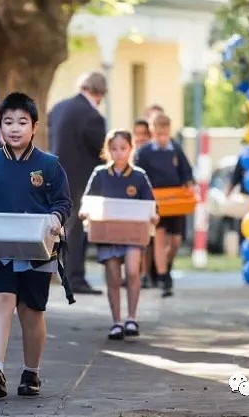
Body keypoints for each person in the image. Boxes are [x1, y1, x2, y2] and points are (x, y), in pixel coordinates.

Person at [0, 93, 74, 399]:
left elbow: (64, 202)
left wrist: (56, 216)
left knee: (31, 311)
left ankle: (31, 372)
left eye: (22, 122)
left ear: (34, 126)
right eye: (8, 122)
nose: (15, 128)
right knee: (0, 301)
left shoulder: (50, 166)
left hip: (38, 249)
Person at [80, 129, 158, 340]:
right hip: (108, 233)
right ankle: (117, 321)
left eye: (123, 148)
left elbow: (151, 204)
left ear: (131, 149)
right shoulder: (100, 174)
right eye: (113, 149)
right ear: (108, 151)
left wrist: (153, 216)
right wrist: (85, 211)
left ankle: (132, 317)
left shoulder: (139, 176)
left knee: (133, 271)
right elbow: (88, 200)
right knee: (113, 276)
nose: (119, 153)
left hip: (132, 233)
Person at [48, 72, 108, 295]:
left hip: (57, 173)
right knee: (76, 228)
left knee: (60, 225)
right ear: (100, 93)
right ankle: (75, 278)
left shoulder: (58, 108)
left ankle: (58, 271)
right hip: (81, 178)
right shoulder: (92, 116)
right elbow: (103, 149)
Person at [135, 114, 194, 298]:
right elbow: (139, 175)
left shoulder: (175, 148)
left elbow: (185, 170)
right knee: (159, 237)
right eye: (159, 134)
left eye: (165, 134)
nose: (162, 138)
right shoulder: (144, 152)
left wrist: (188, 182)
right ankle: (162, 277)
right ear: (152, 132)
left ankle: (166, 266)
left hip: (175, 201)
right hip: (155, 201)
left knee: (175, 240)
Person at [131, 118, 157, 288]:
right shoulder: (129, 153)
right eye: (137, 134)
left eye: (144, 134)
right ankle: (133, 274)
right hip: (131, 202)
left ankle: (146, 274)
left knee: (147, 239)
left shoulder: (151, 154)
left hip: (147, 201)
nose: (140, 138)